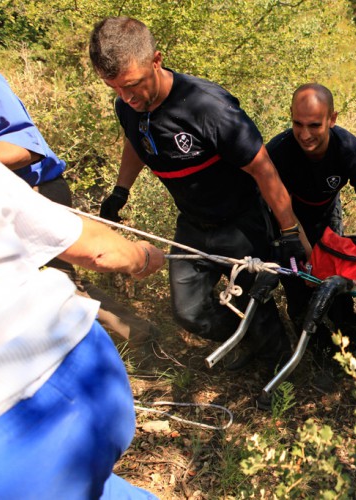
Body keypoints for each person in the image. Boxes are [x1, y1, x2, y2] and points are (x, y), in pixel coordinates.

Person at [89, 16, 309, 372]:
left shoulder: (207, 107)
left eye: (132, 85)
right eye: (113, 87)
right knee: (189, 312)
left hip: (240, 222)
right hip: (192, 223)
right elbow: (135, 140)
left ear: (156, 60)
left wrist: (288, 233)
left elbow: (263, 168)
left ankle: (279, 372)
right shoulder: (129, 106)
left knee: (257, 304)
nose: (125, 97)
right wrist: (120, 191)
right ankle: (248, 340)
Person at [0, 158, 165, 498]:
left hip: (15, 428)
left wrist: (144, 258)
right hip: (88, 364)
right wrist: (142, 257)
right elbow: (95, 249)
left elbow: (96, 252)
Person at [0, 68, 159, 350]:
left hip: (35, 192)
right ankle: (138, 333)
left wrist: (139, 258)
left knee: (59, 284)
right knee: (53, 282)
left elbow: (26, 148)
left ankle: (140, 338)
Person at [266, 83, 356, 360]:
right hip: (286, 222)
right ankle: (318, 352)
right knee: (299, 285)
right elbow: (283, 211)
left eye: (314, 125)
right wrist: (309, 255)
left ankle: (352, 346)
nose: (304, 134)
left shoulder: (349, 149)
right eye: (297, 123)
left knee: (336, 287)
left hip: (326, 215)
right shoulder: (279, 151)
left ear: (332, 119)